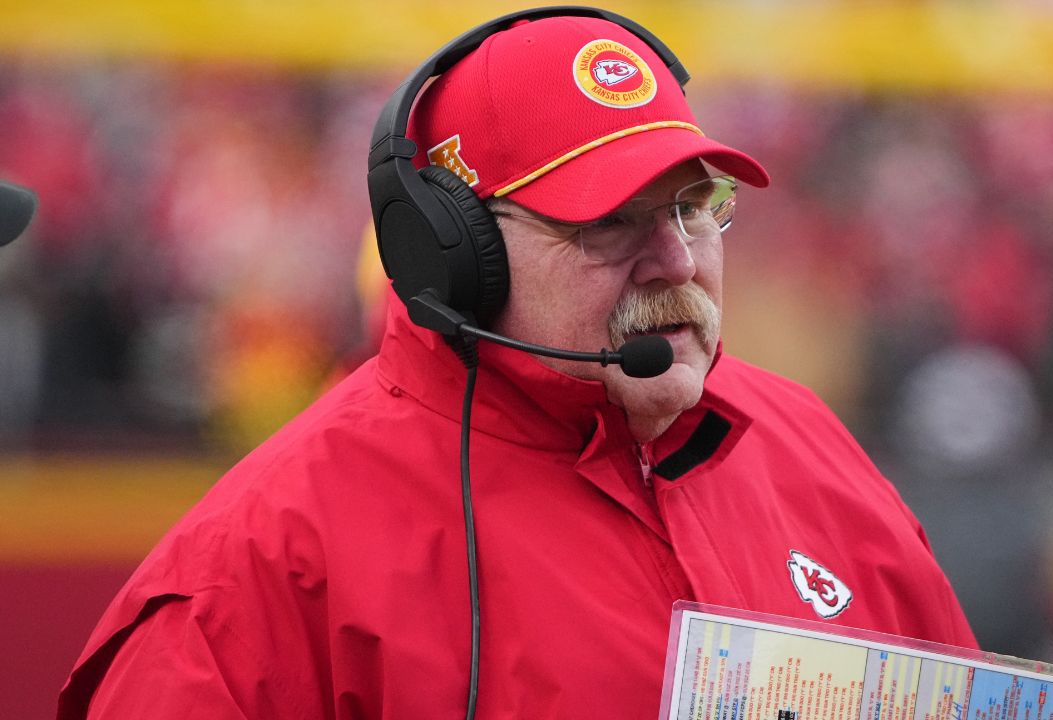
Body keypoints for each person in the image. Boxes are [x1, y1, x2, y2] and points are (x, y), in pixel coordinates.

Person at [59, 11, 975, 719]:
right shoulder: (263, 566)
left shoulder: (809, 447)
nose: (680, 260)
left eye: (697, 208)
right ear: (453, 252)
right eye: (609, 220)